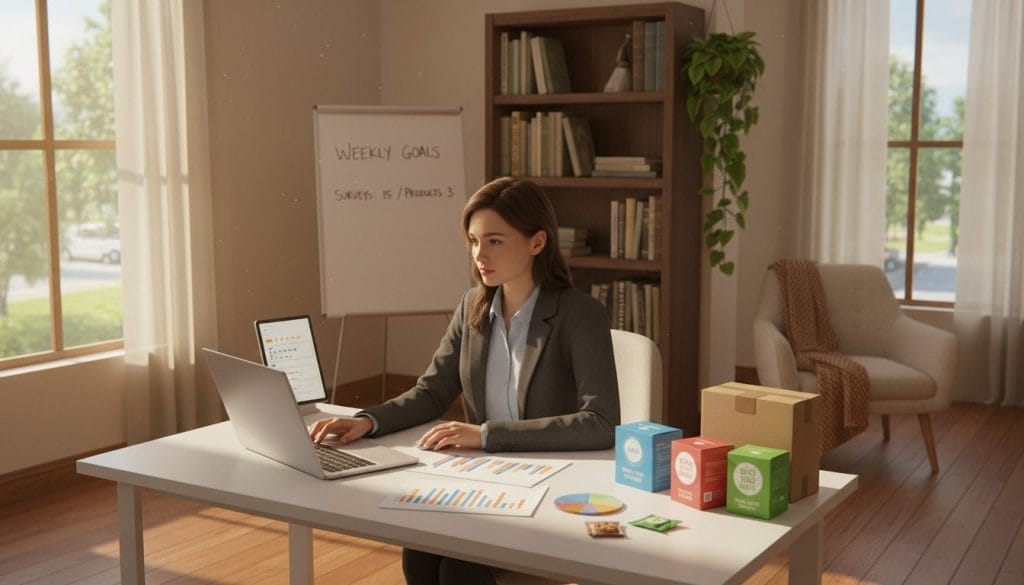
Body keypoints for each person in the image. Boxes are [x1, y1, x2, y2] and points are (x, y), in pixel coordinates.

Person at [309, 177, 620, 585]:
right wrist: (368, 421)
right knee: (418, 551)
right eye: (473, 241)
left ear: (537, 242)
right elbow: (432, 391)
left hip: (552, 487)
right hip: (486, 482)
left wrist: (487, 435)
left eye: (494, 241)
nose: (479, 256)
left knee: (459, 568)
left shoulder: (580, 315)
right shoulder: (472, 306)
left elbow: (601, 421)